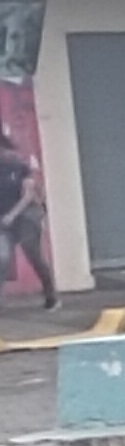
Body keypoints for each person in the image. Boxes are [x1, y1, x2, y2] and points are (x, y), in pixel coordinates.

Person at [0, 129, 53, 313]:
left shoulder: (20, 167)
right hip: (3, 219)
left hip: (26, 216)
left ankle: (51, 296)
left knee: (34, 255)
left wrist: (12, 215)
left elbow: (28, 195)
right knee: (2, 257)